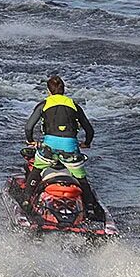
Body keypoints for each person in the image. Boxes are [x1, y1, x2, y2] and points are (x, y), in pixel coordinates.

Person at [23, 75, 103, 221]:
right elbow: (89, 130)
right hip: (70, 147)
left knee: (36, 171)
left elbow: (29, 127)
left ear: (48, 91)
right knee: (82, 179)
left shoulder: (44, 104)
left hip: (49, 147)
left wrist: (31, 141)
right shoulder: (74, 105)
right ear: (64, 90)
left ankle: (27, 202)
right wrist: (87, 143)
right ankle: (90, 208)